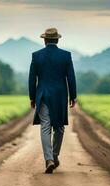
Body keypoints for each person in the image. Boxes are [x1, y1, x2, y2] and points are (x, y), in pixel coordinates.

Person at [28, 28, 77, 174]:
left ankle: (48, 159)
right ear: (57, 40)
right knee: (59, 127)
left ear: (44, 40)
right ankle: (54, 156)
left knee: (45, 127)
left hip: (43, 95)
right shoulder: (66, 56)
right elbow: (71, 78)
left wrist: (32, 97)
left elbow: (32, 79)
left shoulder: (36, 56)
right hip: (60, 96)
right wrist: (73, 96)